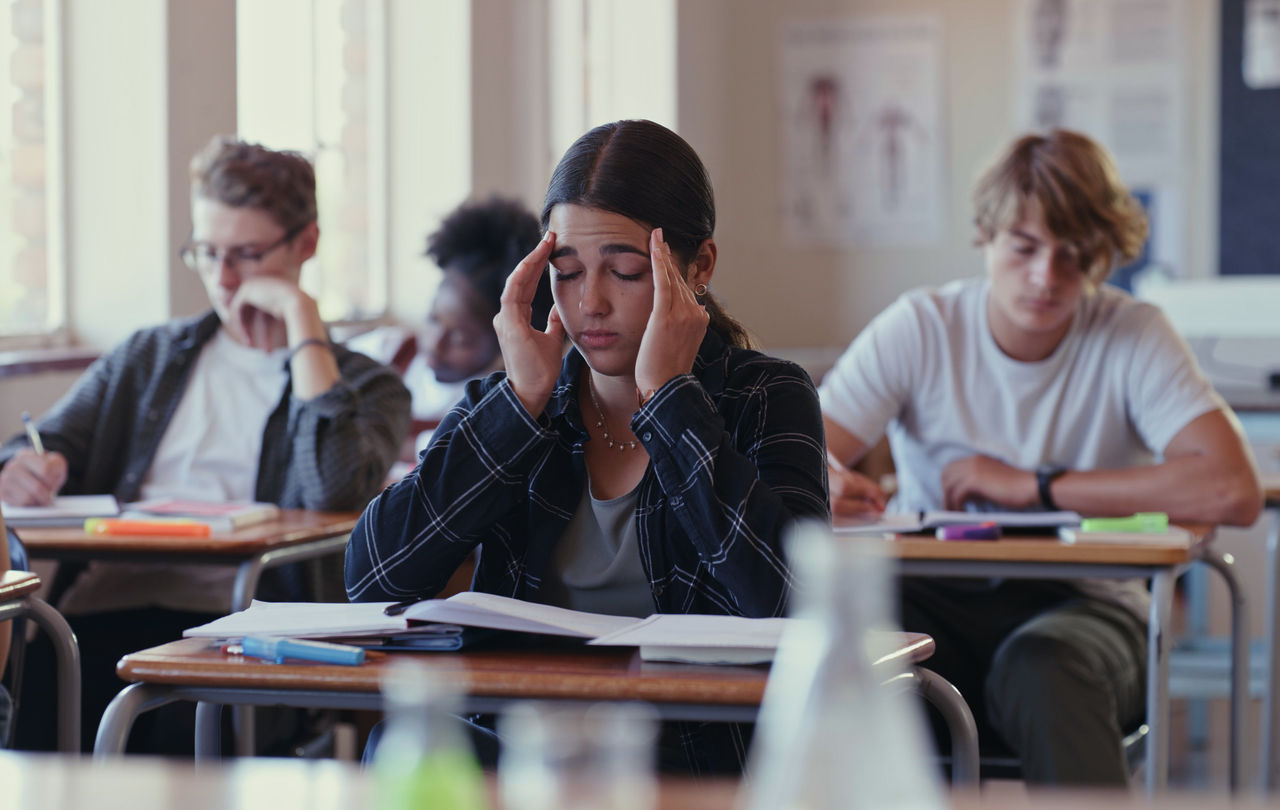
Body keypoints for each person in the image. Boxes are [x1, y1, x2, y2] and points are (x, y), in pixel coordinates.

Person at [345, 119, 830, 772]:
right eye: (567, 272)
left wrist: (669, 399)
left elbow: (791, 602)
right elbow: (373, 578)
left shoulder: (767, 396)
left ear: (700, 267)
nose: (590, 303)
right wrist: (520, 406)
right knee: (400, 753)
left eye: (625, 272)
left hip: (692, 755)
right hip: (524, 748)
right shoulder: (517, 401)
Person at [820, 129, 1263, 785]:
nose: (1047, 277)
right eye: (1025, 248)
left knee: (1045, 665)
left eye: (1074, 256)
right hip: (939, 598)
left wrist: (1038, 486)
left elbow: (1233, 490)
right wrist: (822, 479)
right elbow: (799, 458)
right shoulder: (922, 326)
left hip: (1088, 608)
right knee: (849, 642)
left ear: (1102, 256)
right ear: (986, 235)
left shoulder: (1131, 333)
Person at [0, 135, 411, 752]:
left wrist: (302, 321)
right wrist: (21, 466)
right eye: (206, 252)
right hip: (106, 610)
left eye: (245, 255)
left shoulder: (367, 385)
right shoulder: (151, 357)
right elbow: (38, 443)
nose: (221, 279)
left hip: (249, 623)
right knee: (39, 708)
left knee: (179, 726)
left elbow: (336, 487)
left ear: (306, 244)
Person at [348, 197, 553, 454]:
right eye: (434, 319)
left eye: (461, 339)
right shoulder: (389, 350)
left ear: (501, 347)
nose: (435, 342)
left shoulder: (487, 408)